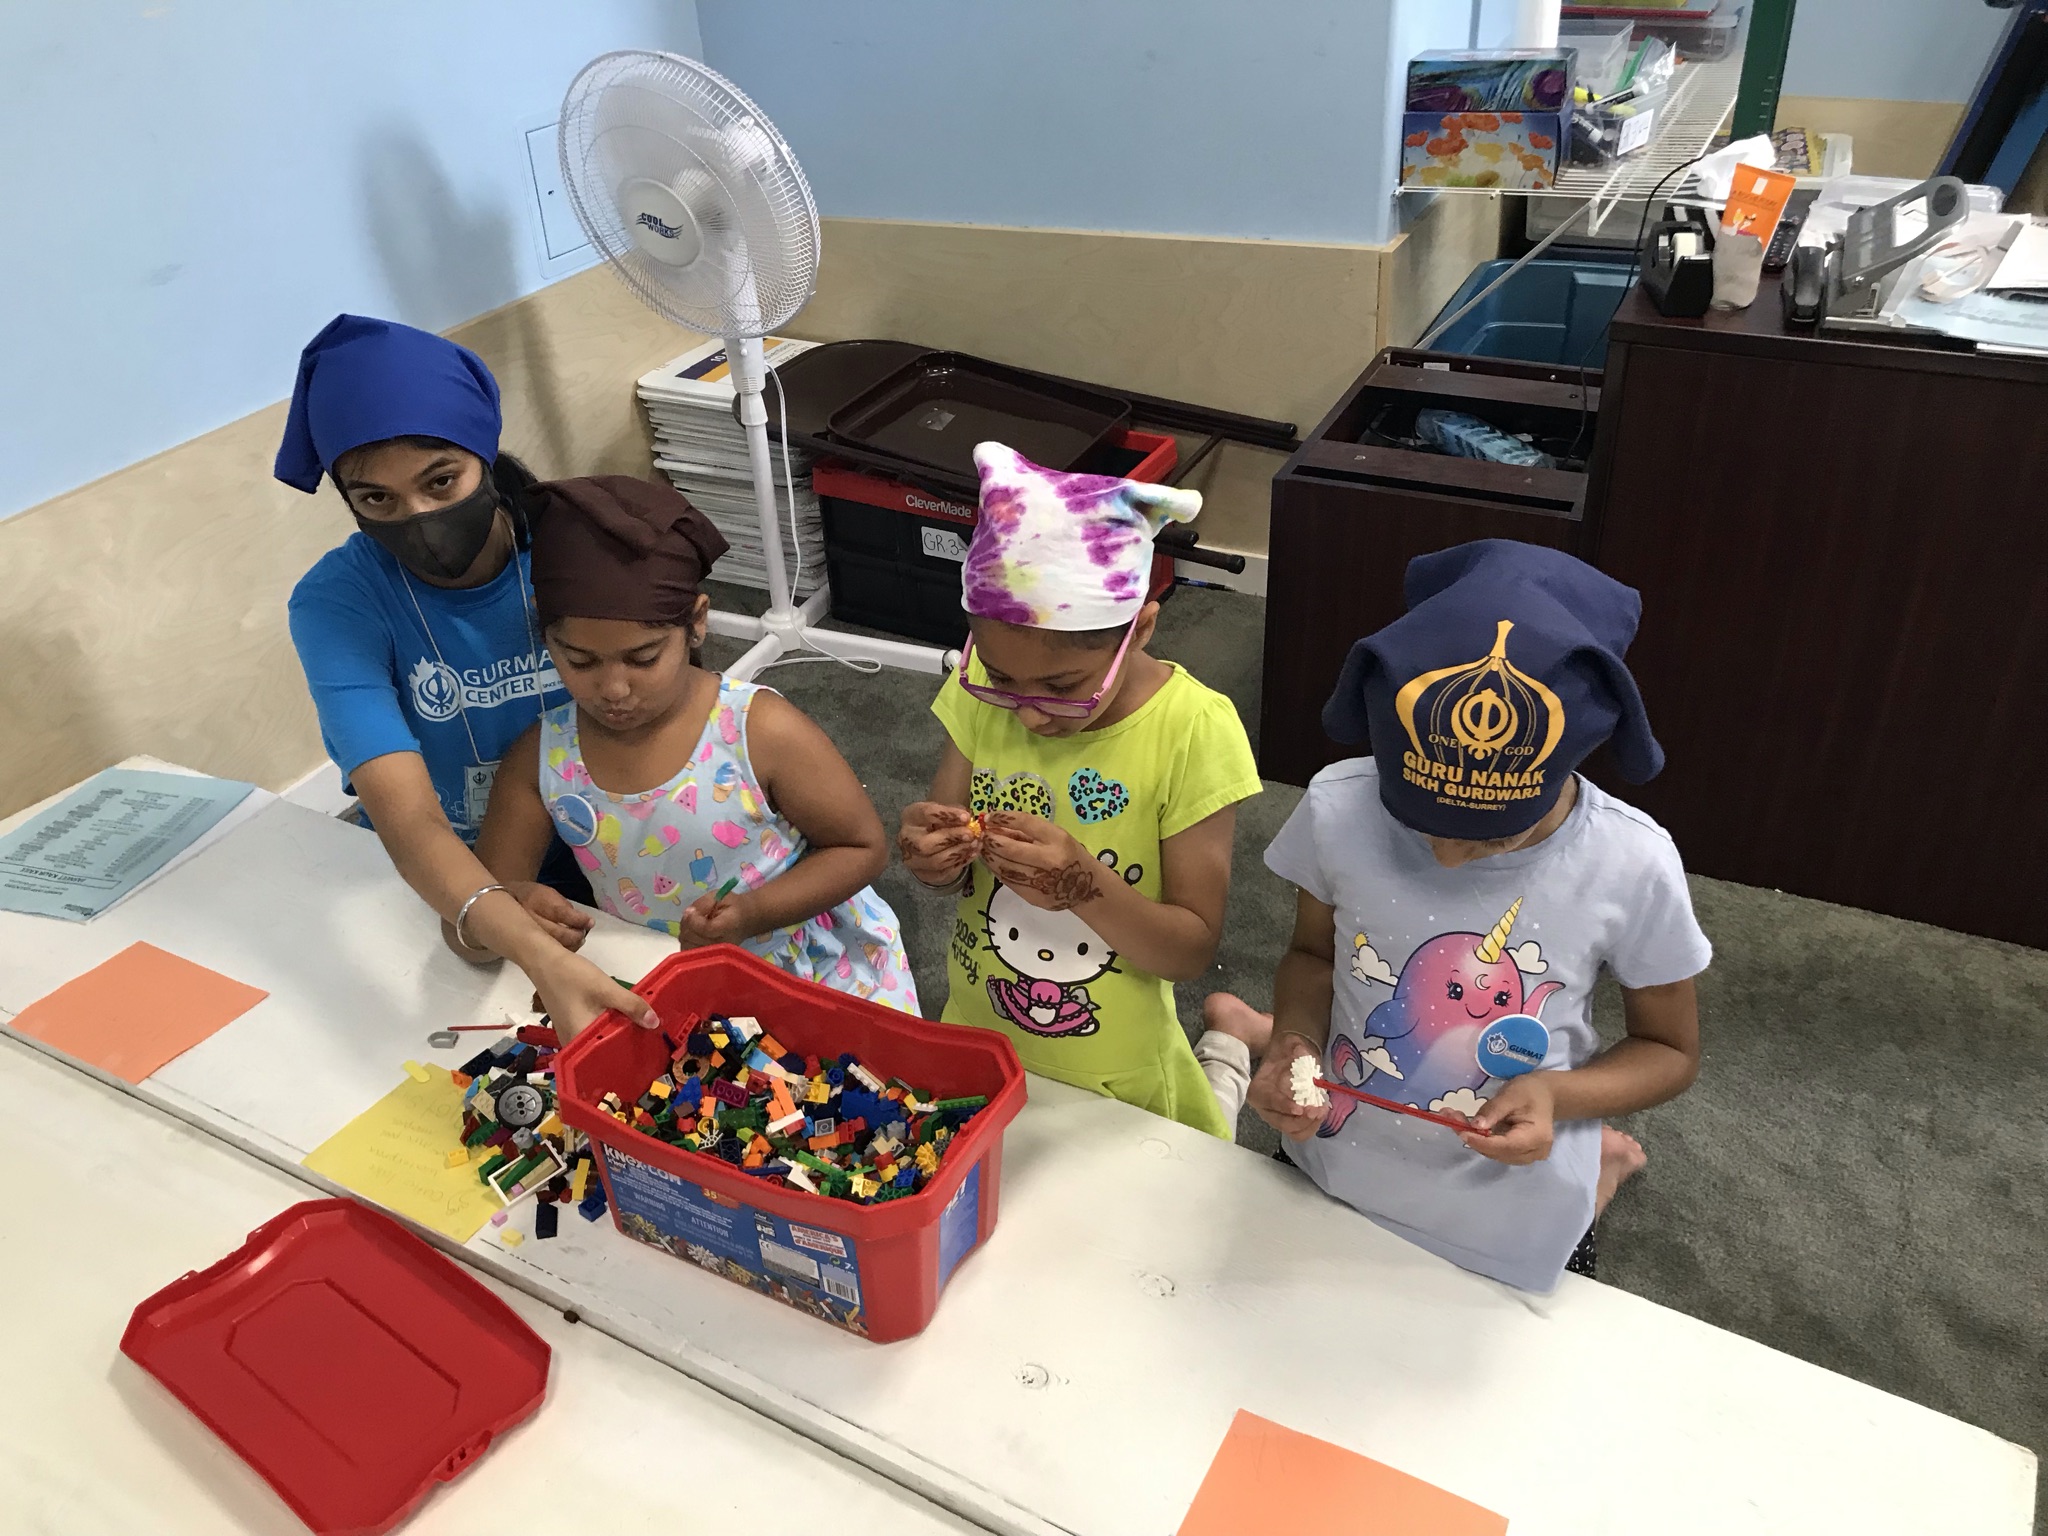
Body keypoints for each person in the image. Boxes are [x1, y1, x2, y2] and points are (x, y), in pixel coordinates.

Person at [1203, 540, 1711, 1291]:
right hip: (1333, 1162)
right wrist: (1295, 1041)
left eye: (1494, 836)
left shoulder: (1631, 862)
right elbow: (1312, 956)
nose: (1445, 857)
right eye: (1415, 820)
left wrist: (1560, 1097)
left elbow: (1670, 1049)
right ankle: (1596, 1151)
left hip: (1520, 1207)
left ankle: (1598, 1167)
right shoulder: (1339, 807)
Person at [279, 314, 652, 1035]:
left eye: (441, 481)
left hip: (617, 843)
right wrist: (494, 915)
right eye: (377, 500)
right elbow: (409, 818)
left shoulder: (581, 545)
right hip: (453, 859)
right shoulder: (337, 602)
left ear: (483, 452)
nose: (418, 518)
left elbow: (672, 715)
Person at [897, 442, 1261, 1136]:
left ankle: (1229, 1045)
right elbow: (947, 858)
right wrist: (929, 856)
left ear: (1140, 629)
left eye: (1062, 687)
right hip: (984, 1030)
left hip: (1116, 1062)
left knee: (1193, 1148)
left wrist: (1082, 885)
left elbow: (1189, 950)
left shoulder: (1193, 731)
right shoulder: (979, 696)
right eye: (1001, 679)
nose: (1028, 714)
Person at [464, 475, 918, 1010]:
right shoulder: (542, 757)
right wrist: (510, 907)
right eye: (579, 660)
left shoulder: (758, 729)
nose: (613, 689)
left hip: (811, 970)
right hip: (664, 978)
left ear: (697, 623)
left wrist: (753, 913)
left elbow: (861, 847)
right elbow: (471, 910)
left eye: (643, 658)